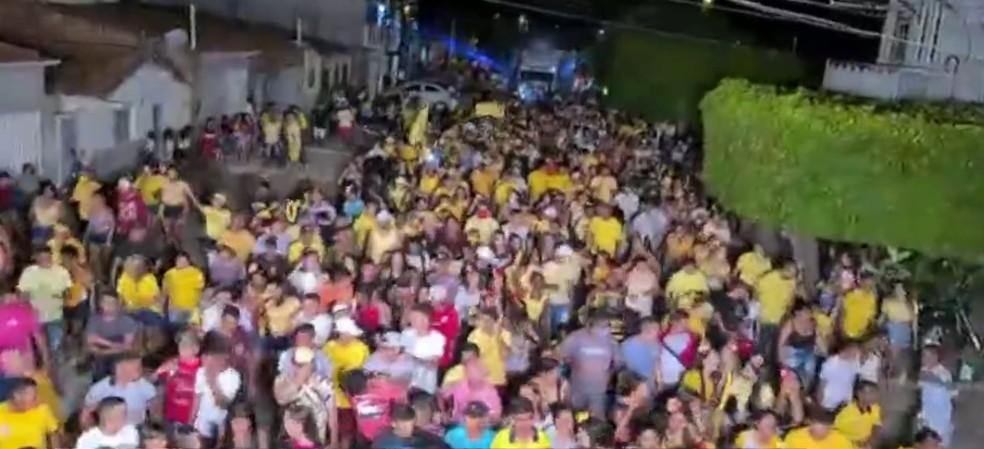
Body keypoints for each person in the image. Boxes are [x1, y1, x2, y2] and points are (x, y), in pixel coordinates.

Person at [80, 354, 157, 428]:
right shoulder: (100, 389)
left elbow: (154, 412)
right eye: (135, 366)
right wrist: (92, 433)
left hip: (137, 429)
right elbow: (86, 414)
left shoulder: (146, 387)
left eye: (139, 366)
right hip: (109, 430)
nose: (139, 370)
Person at [0, 377, 61, 449]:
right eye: (34, 397)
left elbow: (54, 434)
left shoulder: (42, 410)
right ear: (17, 397)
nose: (39, 399)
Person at [74, 397, 140, 449]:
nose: (126, 416)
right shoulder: (86, 440)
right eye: (124, 413)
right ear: (113, 417)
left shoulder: (131, 431)